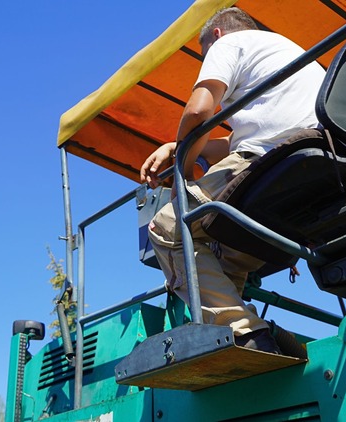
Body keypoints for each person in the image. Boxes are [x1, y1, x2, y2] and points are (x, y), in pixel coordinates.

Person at [139, 7, 326, 354]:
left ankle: (245, 332)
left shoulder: (230, 44)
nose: (206, 61)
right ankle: (249, 336)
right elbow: (237, 141)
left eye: (203, 56)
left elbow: (198, 111)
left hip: (269, 163)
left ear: (217, 36)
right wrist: (174, 145)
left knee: (166, 228)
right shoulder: (290, 57)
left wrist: (181, 167)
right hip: (309, 169)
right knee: (224, 259)